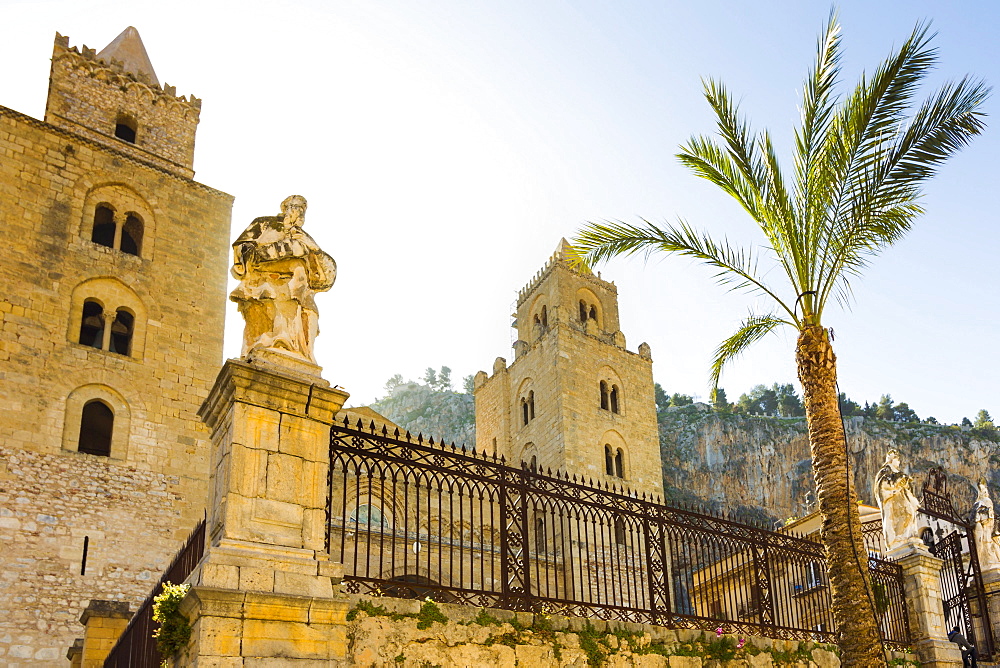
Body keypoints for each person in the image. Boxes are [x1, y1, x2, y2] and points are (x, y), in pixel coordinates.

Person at [230, 195, 336, 363]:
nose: (299, 211)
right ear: (285, 207)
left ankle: (296, 351)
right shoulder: (265, 224)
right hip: (266, 281)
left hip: (299, 292)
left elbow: (325, 278)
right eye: (295, 206)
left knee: (305, 317)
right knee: (266, 331)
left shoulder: (304, 238)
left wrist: (313, 248)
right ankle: (272, 345)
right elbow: (243, 250)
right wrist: (276, 253)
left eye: (303, 209)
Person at [873, 449, 921, 551]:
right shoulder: (885, 471)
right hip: (893, 500)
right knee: (903, 514)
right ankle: (898, 537)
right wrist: (897, 482)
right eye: (897, 460)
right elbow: (881, 487)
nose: (899, 462)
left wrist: (905, 482)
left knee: (910, 513)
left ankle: (907, 536)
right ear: (891, 460)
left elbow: (907, 487)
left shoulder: (898, 472)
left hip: (903, 497)